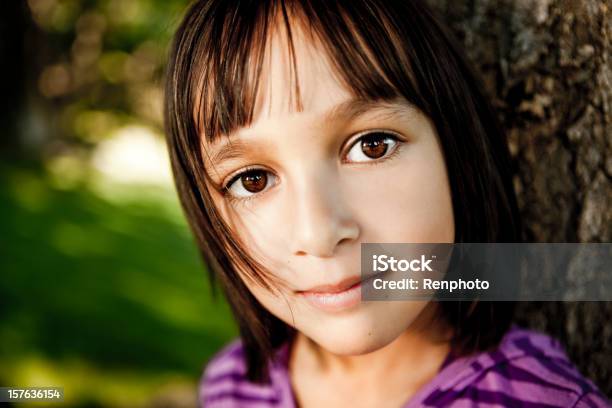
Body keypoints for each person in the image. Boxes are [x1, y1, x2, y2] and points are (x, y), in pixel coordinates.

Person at [163, 0, 610, 406]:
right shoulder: (232, 385)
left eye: (372, 145)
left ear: (456, 149)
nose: (318, 233)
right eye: (252, 180)